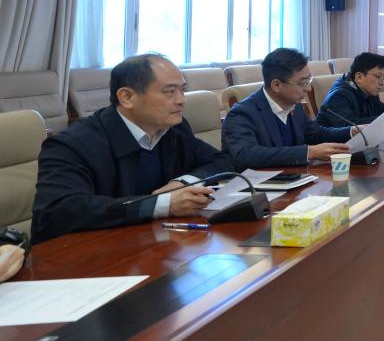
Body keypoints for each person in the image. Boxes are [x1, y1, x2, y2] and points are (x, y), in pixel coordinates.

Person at [31, 54, 233, 243]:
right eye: (170, 91)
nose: (181, 100)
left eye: (182, 89)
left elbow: (222, 161)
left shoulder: (173, 129)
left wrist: (182, 182)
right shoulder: (73, 144)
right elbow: (58, 212)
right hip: (92, 251)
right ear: (127, 97)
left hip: (154, 243)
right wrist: (163, 204)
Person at [222, 47, 352, 168]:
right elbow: (246, 154)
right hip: (260, 183)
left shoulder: (295, 105)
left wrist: (351, 131)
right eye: (303, 83)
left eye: (309, 81)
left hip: (297, 177)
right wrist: (308, 152)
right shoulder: (242, 113)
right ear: (276, 85)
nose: (308, 88)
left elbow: (316, 134)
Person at [317, 51, 384, 128]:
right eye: (378, 76)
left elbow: (382, 112)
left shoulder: (370, 92)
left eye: (383, 78)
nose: (382, 83)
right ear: (359, 77)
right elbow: (351, 127)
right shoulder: (339, 96)